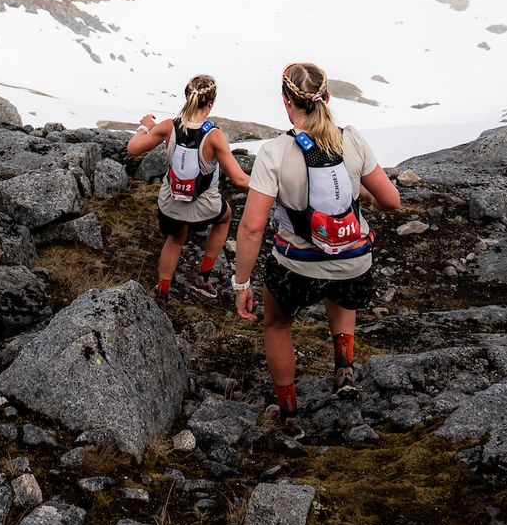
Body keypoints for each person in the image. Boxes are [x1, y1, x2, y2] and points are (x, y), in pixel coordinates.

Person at [232, 61, 402, 433]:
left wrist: (241, 283)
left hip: (297, 267)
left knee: (277, 324)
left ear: (285, 101)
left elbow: (252, 226)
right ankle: (344, 369)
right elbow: (391, 200)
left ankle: (291, 415)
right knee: (342, 288)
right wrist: (364, 199)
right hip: (355, 262)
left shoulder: (275, 152)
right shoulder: (352, 139)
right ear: (327, 96)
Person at [125, 73, 251, 300]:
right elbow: (239, 180)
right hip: (203, 206)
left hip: (170, 204)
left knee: (175, 238)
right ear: (210, 104)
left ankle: (162, 291)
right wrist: (271, 187)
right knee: (225, 217)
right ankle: (203, 279)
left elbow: (133, 148)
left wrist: (145, 127)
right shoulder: (214, 136)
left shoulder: (168, 127)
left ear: (186, 96)